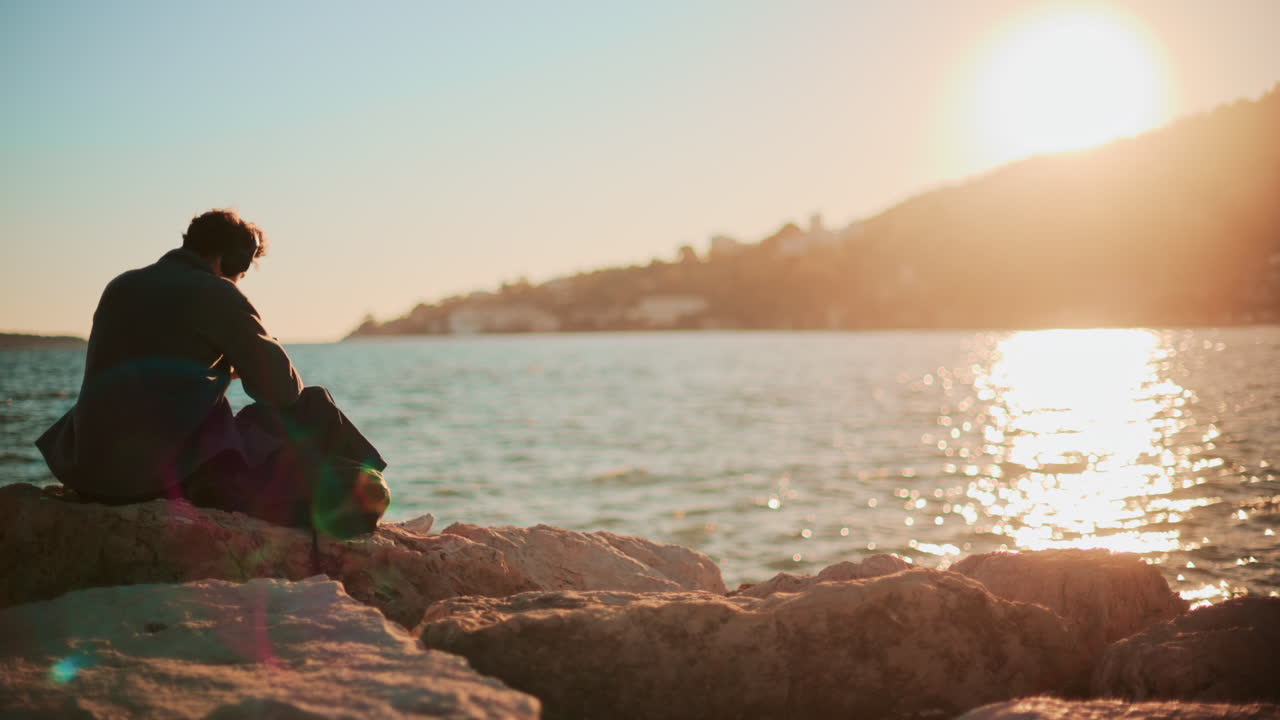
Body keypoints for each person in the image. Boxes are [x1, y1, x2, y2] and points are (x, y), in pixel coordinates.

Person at [36, 209, 389, 537]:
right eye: (243, 270)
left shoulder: (121, 285)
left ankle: (357, 492)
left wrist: (226, 366)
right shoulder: (217, 292)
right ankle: (368, 498)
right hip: (161, 477)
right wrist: (261, 348)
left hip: (90, 471)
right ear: (233, 260)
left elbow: (155, 370)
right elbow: (283, 393)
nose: (241, 278)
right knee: (314, 404)